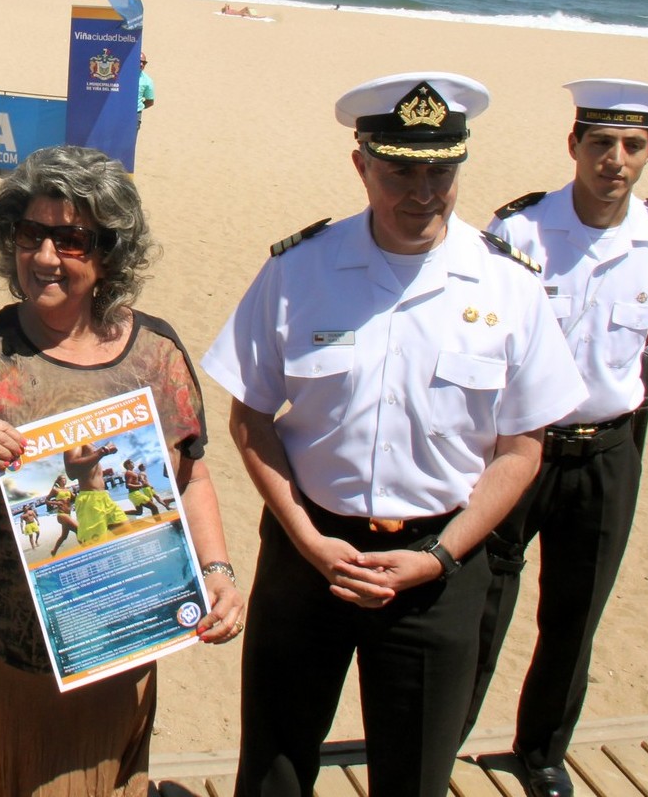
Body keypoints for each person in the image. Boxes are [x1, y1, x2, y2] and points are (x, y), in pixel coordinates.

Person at [202, 72, 587, 797]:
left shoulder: (508, 286)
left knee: (414, 775)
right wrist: (307, 539)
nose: (422, 191)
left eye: (440, 170)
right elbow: (249, 417)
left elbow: (522, 447)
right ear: (361, 166)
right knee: (275, 768)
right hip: (308, 551)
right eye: (400, 169)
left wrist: (439, 555)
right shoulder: (299, 270)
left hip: (438, 562)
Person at [0, 144, 245, 797]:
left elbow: (189, 476)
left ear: (107, 251)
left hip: (115, 652)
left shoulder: (157, 356)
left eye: (70, 238)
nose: (46, 256)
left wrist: (217, 571)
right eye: (31, 234)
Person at [463, 79, 648, 797]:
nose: (614, 160)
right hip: (520, 449)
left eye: (632, 146)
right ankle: (439, 740)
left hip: (607, 451)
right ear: (574, 146)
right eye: (600, 143)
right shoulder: (520, 232)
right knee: (480, 605)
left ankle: (539, 754)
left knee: (575, 613)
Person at [137, 52, 156, 128]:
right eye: (139, 61)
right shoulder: (122, 75)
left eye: (144, 63)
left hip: (135, 115)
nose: (141, 64)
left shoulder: (147, 81)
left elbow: (150, 101)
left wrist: (138, 106)